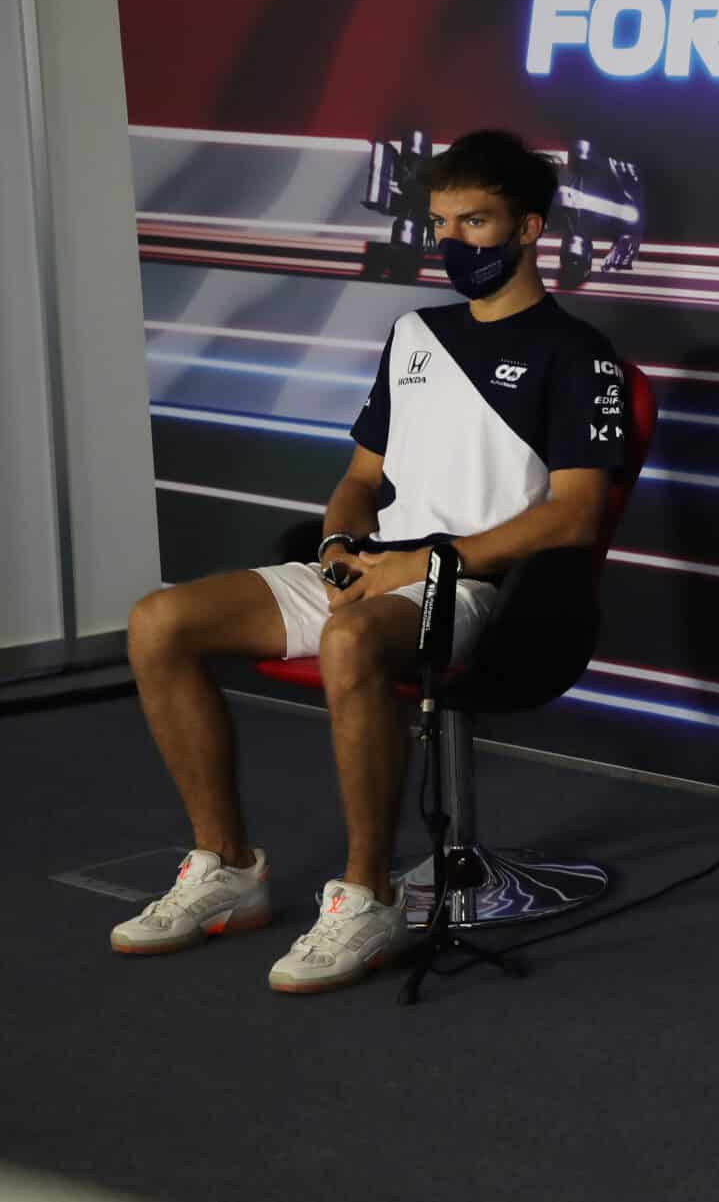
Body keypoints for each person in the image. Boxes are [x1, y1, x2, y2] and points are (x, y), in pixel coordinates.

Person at [114, 130, 627, 994]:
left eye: (475, 222)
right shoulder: (415, 334)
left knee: (349, 640)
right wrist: (337, 547)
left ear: (529, 227)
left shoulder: (578, 353)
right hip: (378, 569)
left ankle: (368, 896)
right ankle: (226, 868)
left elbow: (575, 513)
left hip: (478, 586)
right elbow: (359, 480)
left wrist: (421, 565)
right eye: (441, 224)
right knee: (157, 621)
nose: (453, 241)